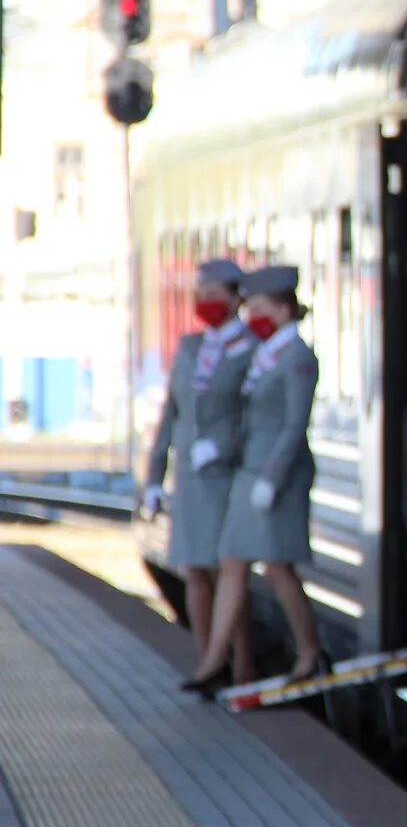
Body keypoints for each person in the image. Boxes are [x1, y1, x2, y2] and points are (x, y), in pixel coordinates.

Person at [181, 265, 327, 696]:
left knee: (279, 567)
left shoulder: (298, 357)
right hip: (249, 471)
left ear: (283, 310)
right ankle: (213, 662)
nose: (252, 317)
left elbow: (294, 424)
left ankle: (309, 651)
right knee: (232, 561)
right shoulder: (267, 353)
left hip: (275, 477)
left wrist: (274, 477)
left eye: (260, 308)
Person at [143, 256, 258, 680]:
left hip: (226, 476)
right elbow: (170, 414)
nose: (206, 302)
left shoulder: (250, 348)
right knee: (195, 570)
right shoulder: (190, 348)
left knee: (227, 573)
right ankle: (207, 657)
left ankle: (241, 664)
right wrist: (154, 478)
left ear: (234, 299)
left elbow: (256, 416)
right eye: (201, 295)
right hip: (190, 479)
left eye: (214, 295)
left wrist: (225, 445)